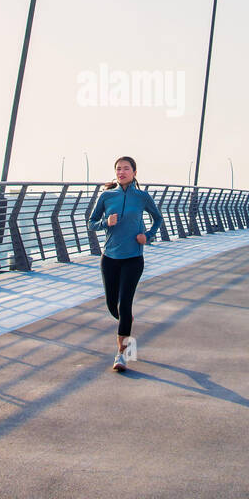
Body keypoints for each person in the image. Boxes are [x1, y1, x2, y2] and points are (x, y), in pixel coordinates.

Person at [89, 155, 165, 372]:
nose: (121, 172)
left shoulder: (142, 197)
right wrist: (106, 222)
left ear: (134, 172)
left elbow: (158, 218)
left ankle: (121, 355)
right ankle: (127, 322)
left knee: (125, 305)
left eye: (126, 169)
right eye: (118, 169)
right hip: (110, 258)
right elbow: (91, 223)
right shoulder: (106, 196)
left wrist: (147, 236)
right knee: (113, 305)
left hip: (133, 258)